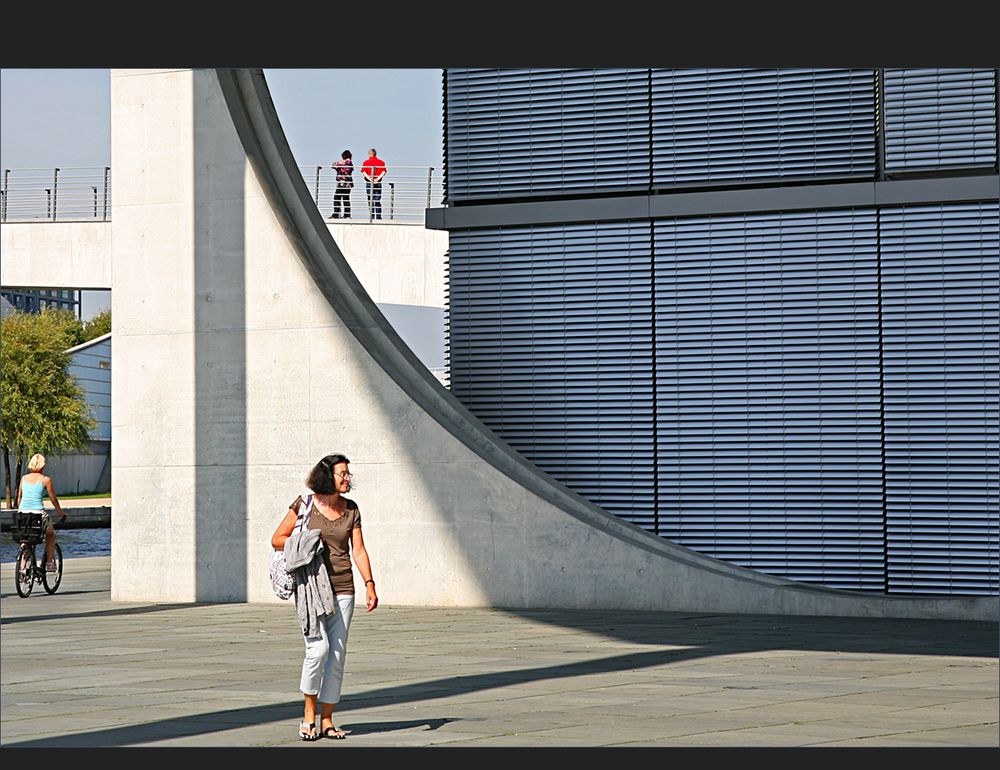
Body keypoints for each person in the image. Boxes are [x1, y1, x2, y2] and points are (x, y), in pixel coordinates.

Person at [271, 453, 378, 741]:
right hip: (312, 589)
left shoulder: (351, 509)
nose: (347, 478)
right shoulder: (305, 504)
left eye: (348, 474)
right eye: (342, 473)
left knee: (337, 654)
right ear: (327, 476)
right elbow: (277, 539)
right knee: (317, 650)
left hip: (344, 589)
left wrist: (369, 583)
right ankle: (308, 715)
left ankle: (327, 719)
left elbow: (358, 549)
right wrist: (307, 541)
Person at [15, 453, 67, 571]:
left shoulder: (23, 478)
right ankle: (49, 563)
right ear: (43, 466)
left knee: (26, 537)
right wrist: (60, 513)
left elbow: (19, 497)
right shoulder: (46, 480)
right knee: (50, 534)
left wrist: (21, 510)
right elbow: (53, 499)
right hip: (38, 514)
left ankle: (23, 562)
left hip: (23, 514)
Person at [360, 148, 386, 220]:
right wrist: (377, 179)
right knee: (377, 200)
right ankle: (378, 217)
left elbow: (364, 173)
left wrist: (370, 180)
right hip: (378, 183)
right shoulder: (381, 162)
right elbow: (383, 172)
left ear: (369, 154)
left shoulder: (366, 162)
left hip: (369, 182)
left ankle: (371, 216)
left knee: (370, 199)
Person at [330, 150, 353, 220]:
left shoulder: (348, 162)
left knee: (338, 198)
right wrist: (340, 164)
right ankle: (345, 214)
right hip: (344, 183)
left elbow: (346, 170)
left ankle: (339, 214)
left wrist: (340, 165)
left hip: (344, 183)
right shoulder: (345, 162)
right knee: (344, 198)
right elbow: (333, 165)